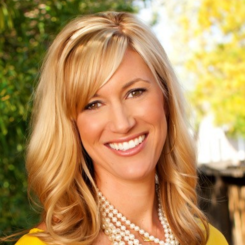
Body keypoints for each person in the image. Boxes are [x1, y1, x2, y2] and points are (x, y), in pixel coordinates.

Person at [10, 11, 228, 245]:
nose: (123, 124)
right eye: (93, 104)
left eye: (135, 92)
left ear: (165, 97)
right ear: (71, 125)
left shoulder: (209, 240)